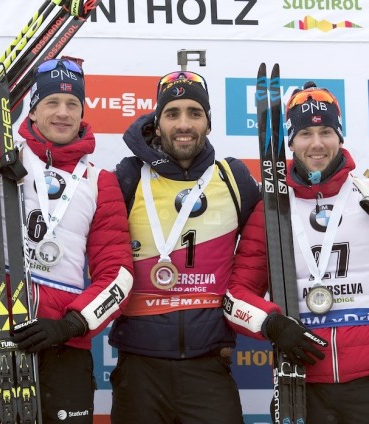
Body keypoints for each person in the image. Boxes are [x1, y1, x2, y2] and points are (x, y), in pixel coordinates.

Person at [223, 81, 369, 423]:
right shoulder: (270, 210)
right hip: (303, 380)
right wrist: (271, 324)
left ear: (340, 136)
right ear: (291, 141)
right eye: (305, 134)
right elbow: (235, 297)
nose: (317, 144)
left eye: (326, 131)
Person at [0, 58, 134, 423]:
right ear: (33, 111)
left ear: (83, 113)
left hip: (62, 339)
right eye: (52, 102)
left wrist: (70, 325)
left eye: (73, 104)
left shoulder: (100, 182)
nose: (63, 112)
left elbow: (117, 275)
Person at [109, 70, 261, 423]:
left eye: (195, 113)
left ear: (209, 122)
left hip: (209, 364)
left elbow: (271, 248)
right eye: (172, 113)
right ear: (157, 121)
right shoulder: (129, 177)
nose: (184, 124)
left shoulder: (233, 178)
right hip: (139, 365)